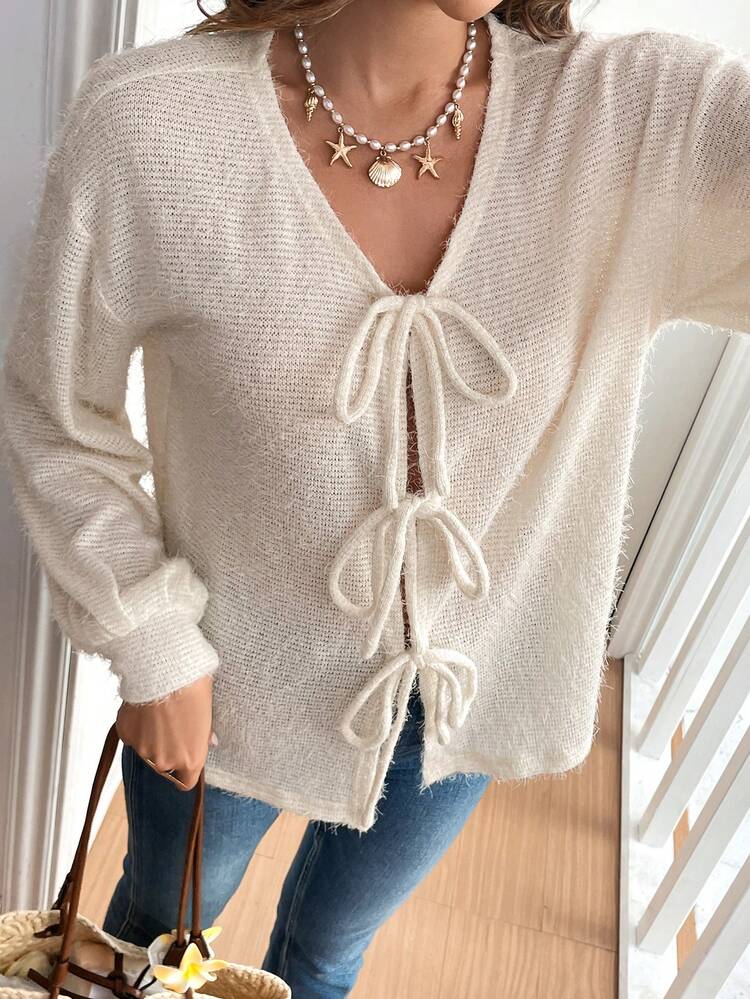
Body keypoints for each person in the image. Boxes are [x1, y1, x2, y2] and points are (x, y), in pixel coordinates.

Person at [1, 1, 748, 996]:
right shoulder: (151, 128)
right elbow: (58, 417)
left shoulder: (638, 118)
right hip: (221, 682)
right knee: (158, 931)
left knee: (327, 952)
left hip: (469, 695)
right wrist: (151, 638)